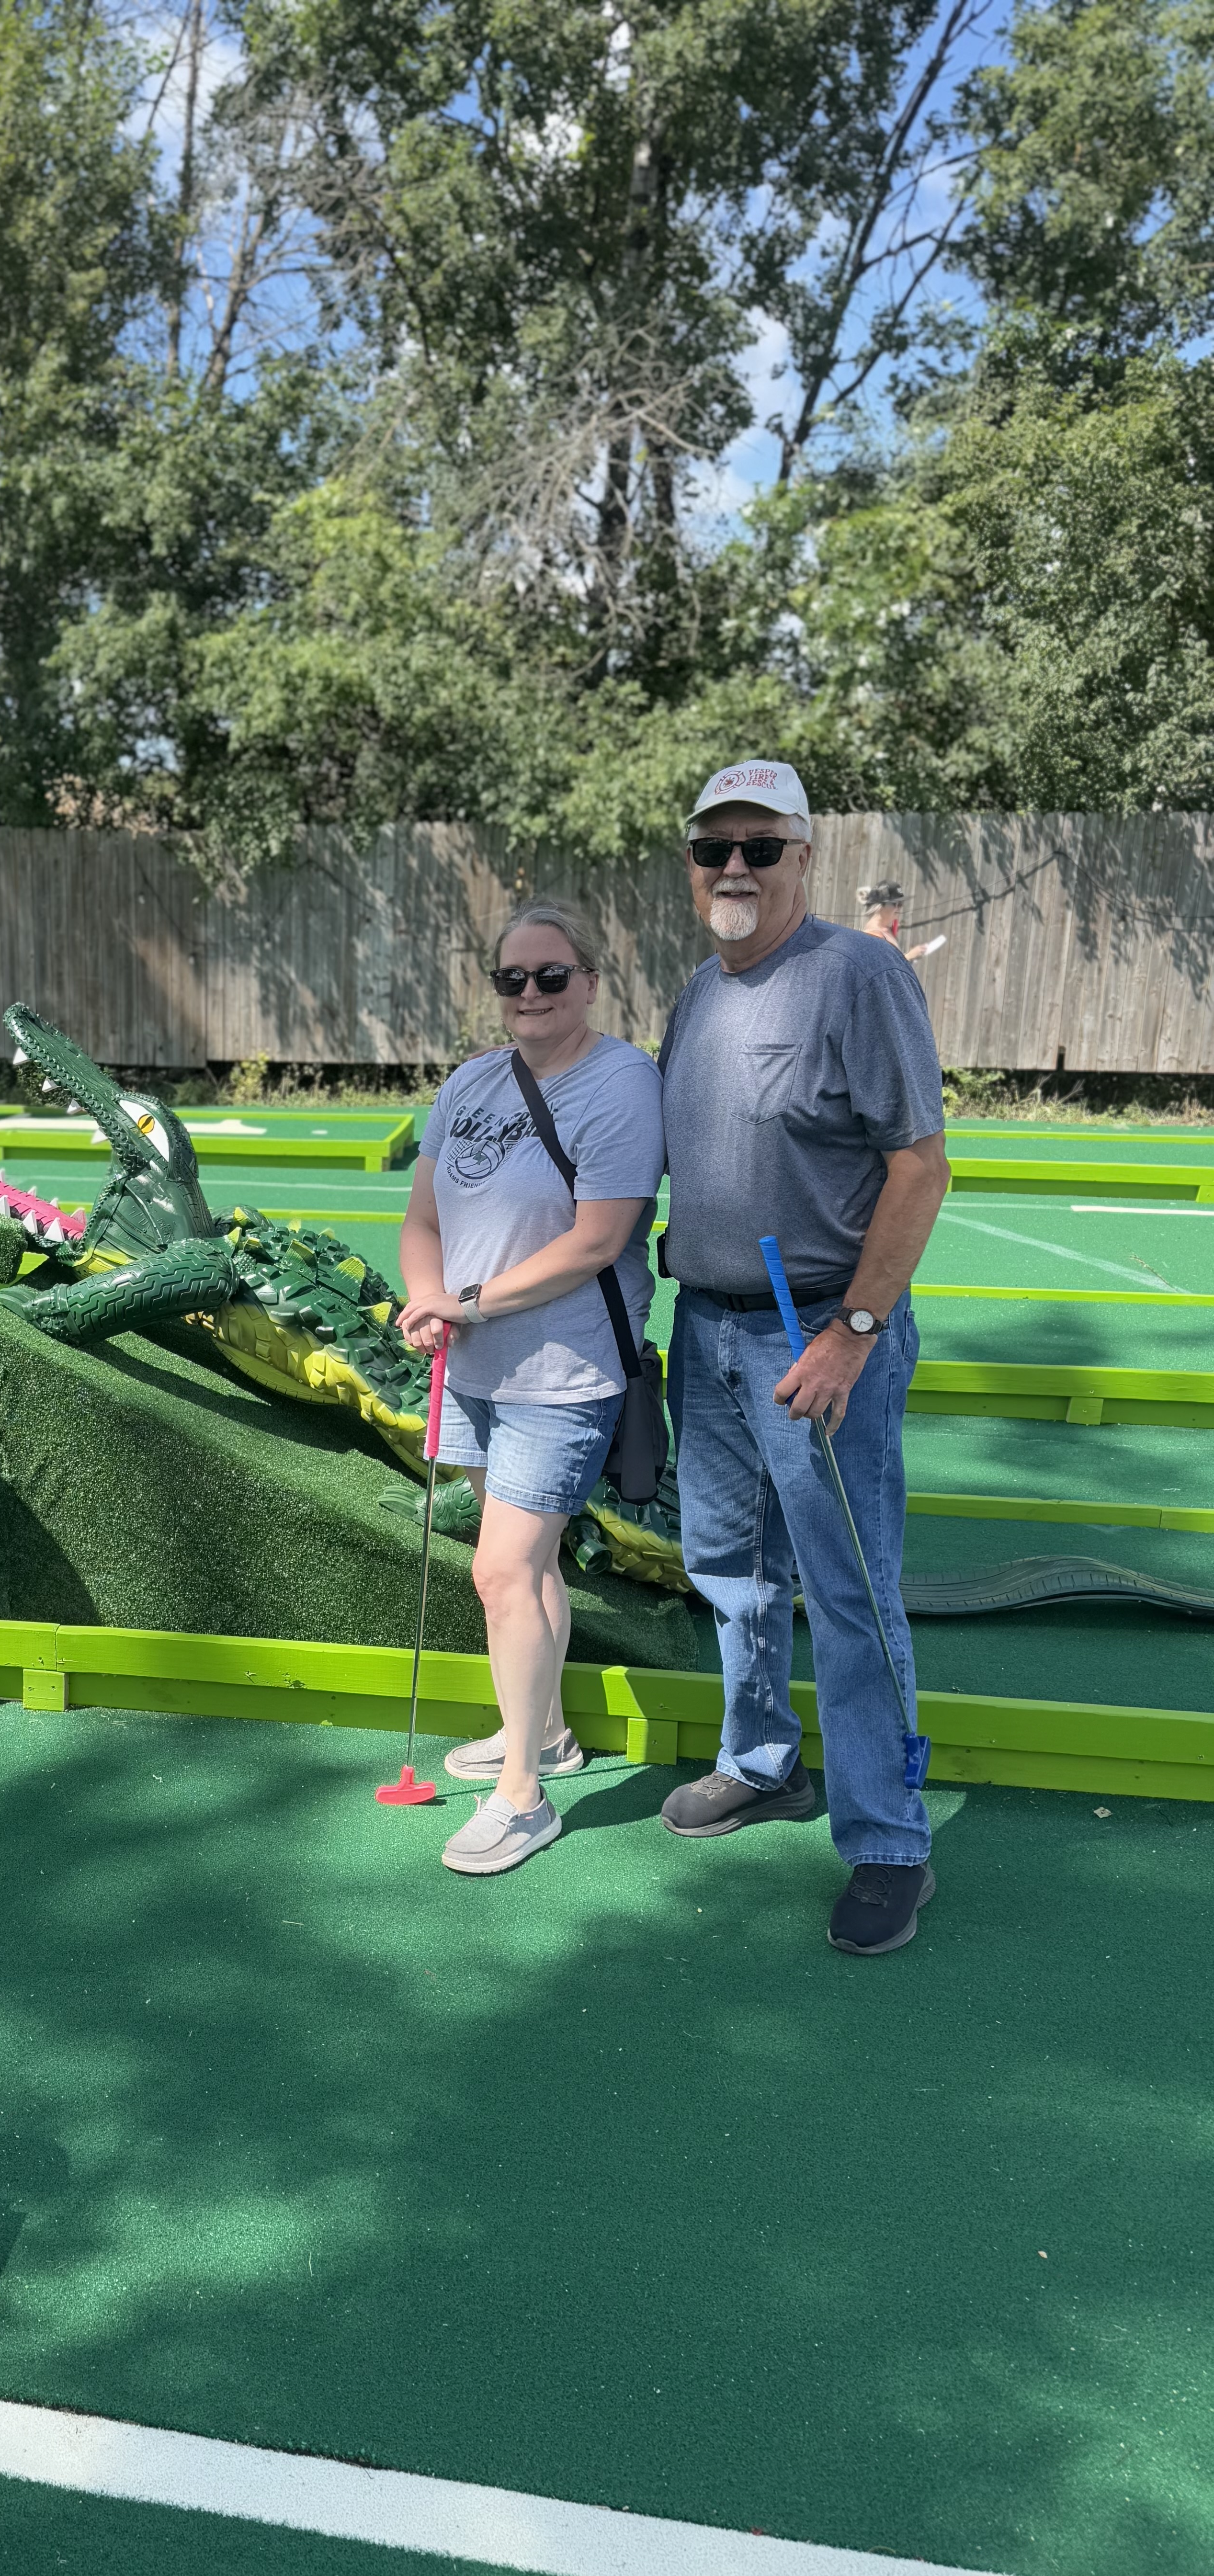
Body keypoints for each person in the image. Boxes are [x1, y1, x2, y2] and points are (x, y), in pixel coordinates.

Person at [657, 760, 949, 1954]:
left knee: (850, 1588)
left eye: (759, 848)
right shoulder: (694, 993)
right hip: (711, 1331)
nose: (734, 868)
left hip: (816, 1333)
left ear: (804, 858)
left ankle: (889, 1842)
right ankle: (762, 1760)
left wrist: (854, 1335)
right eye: (713, 847)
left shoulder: (858, 973)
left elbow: (919, 1167)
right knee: (729, 1564)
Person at [398, 901, 665, 1877]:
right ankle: (542, 1736)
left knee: (502, 1571)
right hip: (469, 1363)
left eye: (552, 976)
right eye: (513, 979)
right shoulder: (471, 1081)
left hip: (564, 1368)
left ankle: (522, 1798)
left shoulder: (623, 1082)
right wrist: (429, 1296)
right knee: (530, 1567)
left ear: (591, 981)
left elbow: (598, 1240)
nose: (530, 995)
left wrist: (467, 1298)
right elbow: (423, 1212)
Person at [857, 882, 934, 964]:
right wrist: (909, 957)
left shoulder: (886, 930)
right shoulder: (875, 935)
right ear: (880, 906)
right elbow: (880, 969)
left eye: (901, 904)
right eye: (895, 904)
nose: (900, 908)